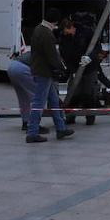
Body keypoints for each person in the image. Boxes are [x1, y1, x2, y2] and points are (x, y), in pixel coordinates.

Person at [26, 8, 74, 143]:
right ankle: (32, 132)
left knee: (54, 101)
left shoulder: (38, 29)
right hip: (44, 73)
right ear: (55, 21)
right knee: (39, 102)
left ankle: (61, 128)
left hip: (40, 70)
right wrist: (60, 67)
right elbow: (52, 55)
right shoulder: (46, 34)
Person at [65, 44, 110, 125]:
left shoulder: (95, 62)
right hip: (78, 70)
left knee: (88, 97)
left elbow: (100, 75)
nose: (101, 58)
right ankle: (71, 117)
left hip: (87, 76)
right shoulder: (92, 57)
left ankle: (88, 118)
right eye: (101, 56)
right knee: (74, 96)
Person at [7, 50, 36, 131]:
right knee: (36, 98)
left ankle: (25, 122)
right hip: (22, 69)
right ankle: (33, 124)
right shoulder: (45, 54)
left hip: (12, 66)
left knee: (22, 97)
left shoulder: (32, 52)